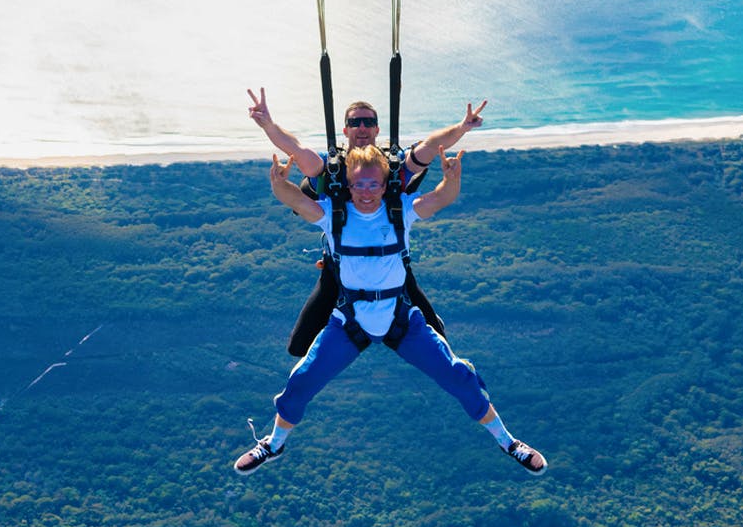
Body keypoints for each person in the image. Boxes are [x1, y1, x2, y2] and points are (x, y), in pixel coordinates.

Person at [233, 145, 546, 475]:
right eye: (358, 185)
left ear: (384, 185)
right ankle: (273, 444)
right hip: (351, 319)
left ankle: (508, 442)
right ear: (349, 187)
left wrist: (452, 179)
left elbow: (440, 199)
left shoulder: (401, 211)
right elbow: (295, 200)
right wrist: (278, 182)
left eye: (373, 184)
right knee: (301, 382)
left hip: (399, 317)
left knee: (459, 378)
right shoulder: (333, 215)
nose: (366, 192)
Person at [247, 90, 486, 355]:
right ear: (345, 130)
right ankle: (345, 326)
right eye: (355, 122)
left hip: (390, 265)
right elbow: (296, 149)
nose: (362, 127)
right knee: (299, 346)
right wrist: (269, 125)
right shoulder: (329, 168)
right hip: (338, 267)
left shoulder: (393, 168)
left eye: (368, 122)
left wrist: (462, 128)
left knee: (439, 343)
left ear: (377, 129)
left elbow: (430, 147)